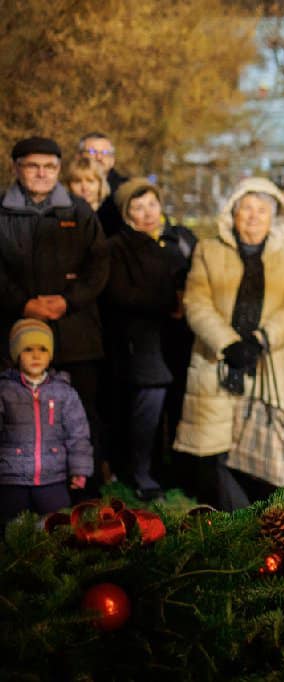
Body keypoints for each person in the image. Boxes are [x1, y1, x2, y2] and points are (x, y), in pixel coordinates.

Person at [173, 177, 284, 511]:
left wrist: (262, 339)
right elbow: (197, 302)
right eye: (245, 208)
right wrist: (228, 343)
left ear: (274, 216)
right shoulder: (209, 250)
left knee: (267, 450)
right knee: (216, 451)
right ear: (232, 213)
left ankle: (267, 530)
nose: (253, 216)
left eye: (262, 210)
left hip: (271, 363)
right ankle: (232, 527)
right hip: (218, 361)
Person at [0, 136, 109, 487]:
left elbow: (99, 265)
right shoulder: (3, 211)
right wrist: (22, 303)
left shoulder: (79, 211)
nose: (41, 174)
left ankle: (85, 497)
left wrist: (69, 301)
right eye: (33, 166)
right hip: (16, 331)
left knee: (82, 413)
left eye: (49, 167)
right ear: (16, 168)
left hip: (75, 332)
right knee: (17, 416)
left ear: (59, 169)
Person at [101, 178, 195, 500]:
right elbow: (120, 294)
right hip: (141, 344)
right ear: (127, 214)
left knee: (175, 410)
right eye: (138, 207)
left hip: (177, 341)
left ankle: (174, 472)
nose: (147, 213)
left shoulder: (174, 242)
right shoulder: (118, 247)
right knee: (146, 414)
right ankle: (141, 473)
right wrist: (170, 301)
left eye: (152, 204)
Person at [0, 319, 92, 523]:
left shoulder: (64, 392)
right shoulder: (5, 390)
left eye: (42, 349)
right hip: (11, 475)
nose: (36, 355)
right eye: (28, 349)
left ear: (50, 354)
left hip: (53, 475)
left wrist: (79, 469)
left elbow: (78, 433)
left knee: (56, 523)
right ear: (16, 354)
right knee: (12, 525)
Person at [78, 132, 127, 236]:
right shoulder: (67, 191)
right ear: (79, 156)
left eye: (105, 152)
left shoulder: (126, 191)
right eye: (92, 151)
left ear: (112, 160)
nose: (99, 157)